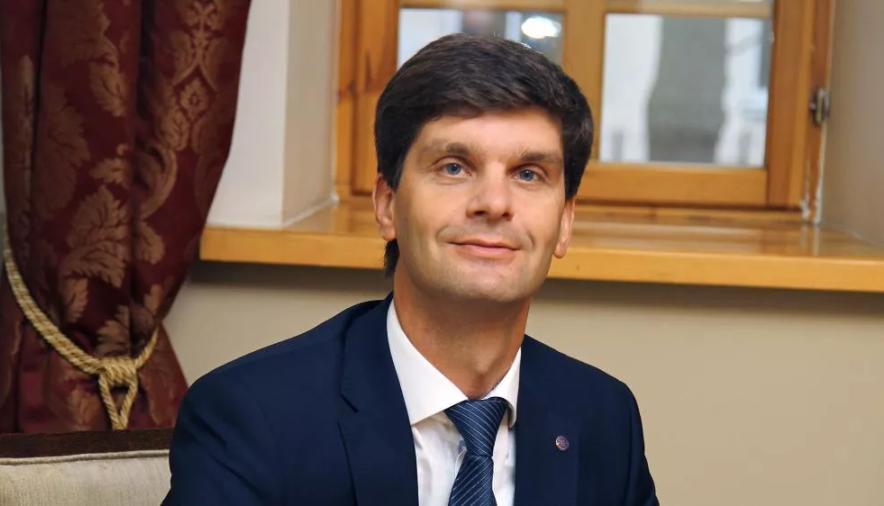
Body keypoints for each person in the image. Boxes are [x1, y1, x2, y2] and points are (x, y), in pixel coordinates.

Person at [164, 34, 658, 505]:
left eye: (528, 174)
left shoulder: (602, 416)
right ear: (387, 205)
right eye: (454, 167)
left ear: (565, 223)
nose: (494, 203)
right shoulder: (254, 415)